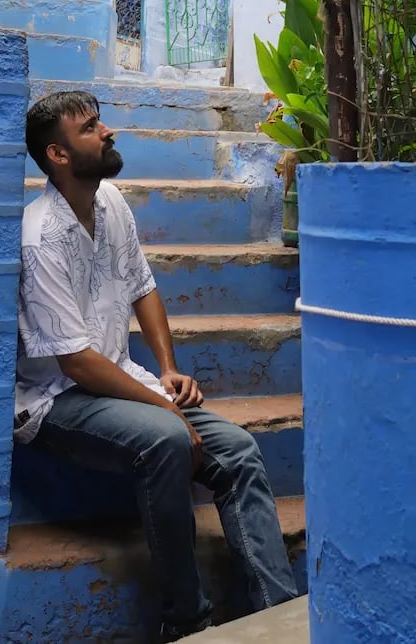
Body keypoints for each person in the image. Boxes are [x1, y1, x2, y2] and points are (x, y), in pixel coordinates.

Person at [16, 90, 297, 642]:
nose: (108, 132)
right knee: (167, 439)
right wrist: (165, 407)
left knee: (238, 450)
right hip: (55, 400)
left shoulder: (112, 203)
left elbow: (143, 287)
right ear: (59, 155)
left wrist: (167, 369)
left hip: (118, 381)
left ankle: (277, 613)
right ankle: (186, 621)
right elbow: (76, 363)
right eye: (91, 128)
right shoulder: (40, 236)